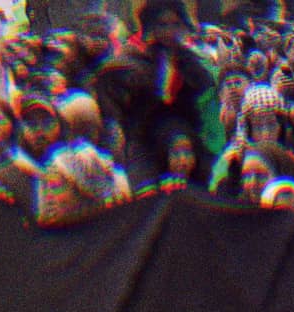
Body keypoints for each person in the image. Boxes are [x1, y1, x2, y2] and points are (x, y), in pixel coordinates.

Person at [94, 0, 219, 188]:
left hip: (187, 143)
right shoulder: (134, 63)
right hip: (145, 141)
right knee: (145, 194)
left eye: (175, 24)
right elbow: (108, 89)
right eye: (163, 24)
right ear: (151, 26)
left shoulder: (192, 63)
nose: (169, 31)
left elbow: (206, 98)